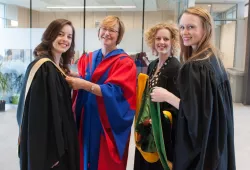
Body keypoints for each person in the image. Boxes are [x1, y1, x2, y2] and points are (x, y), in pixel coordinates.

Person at [151, 7, 236, 170]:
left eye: (191, 27)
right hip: (217, 143)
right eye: (182, 27)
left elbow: (195, 117)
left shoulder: (195, 67)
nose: (185, 32)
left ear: (206, 29)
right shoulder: (214, 60)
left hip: (202, 152)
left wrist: (167, 96)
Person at [66, 16, 136, 170]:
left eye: (112, 30)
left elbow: (115, 91)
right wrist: (76, 78)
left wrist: (84, 84)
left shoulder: (125, 62)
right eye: (104, 28)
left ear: (119, 35)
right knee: (84, 157)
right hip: (86, 117)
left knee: (103, 162)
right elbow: (88, 77)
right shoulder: (88, 58)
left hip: (106, 121)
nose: (107, 33)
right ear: (98, 32)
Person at [16, 19, 80, 170]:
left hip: (62, 146)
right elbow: (38, 117)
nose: (65, 40)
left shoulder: (57, 68)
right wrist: (51, 154)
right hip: (51, 153)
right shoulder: (43, 68)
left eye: (69, 37)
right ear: (50, 35)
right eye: (60, 34)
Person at [134, 23, 181, 170]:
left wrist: (157, 118)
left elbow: (176, 104)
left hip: (162, 130)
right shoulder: (153, 64)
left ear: (172, 41)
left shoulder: (175, 67)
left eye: (166, 39)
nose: (161, 42)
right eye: (158, 38)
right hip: (147, 124)